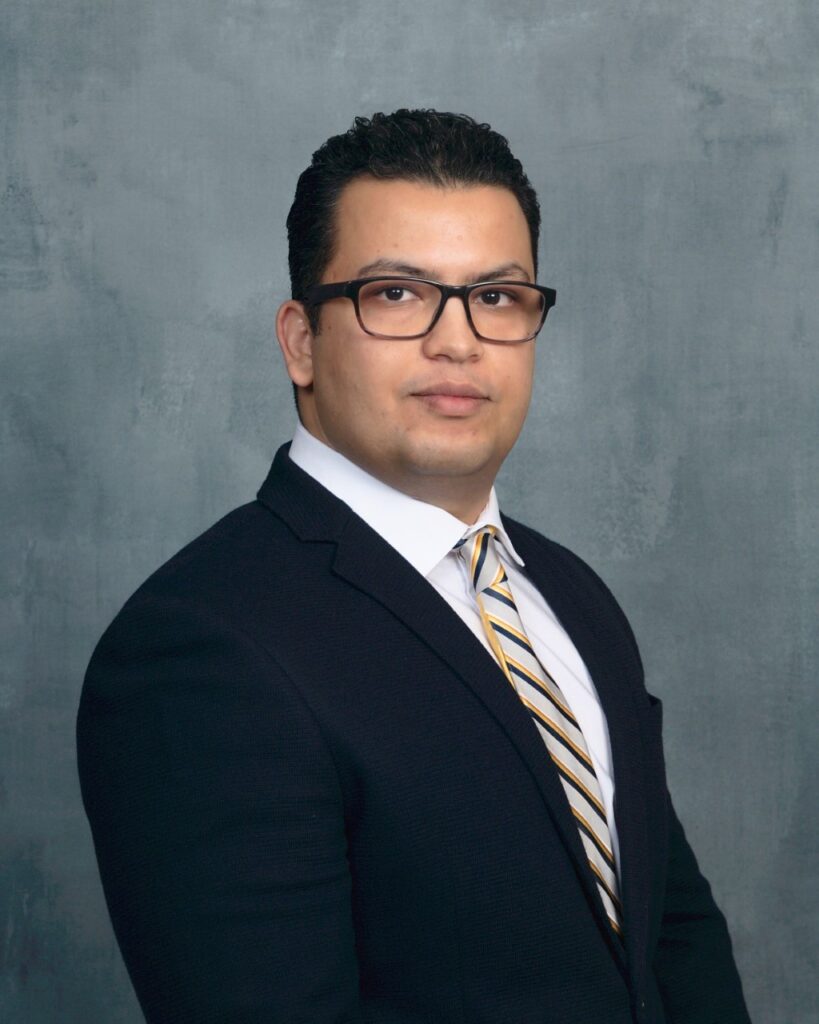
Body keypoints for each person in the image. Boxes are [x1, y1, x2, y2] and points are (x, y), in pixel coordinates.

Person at [77, 109, 751, 1023]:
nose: (458, 341)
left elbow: (673, 939)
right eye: (396, 293)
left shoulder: (569, 594)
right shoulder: (200, 648)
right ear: (301, 341)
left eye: (498, 297)